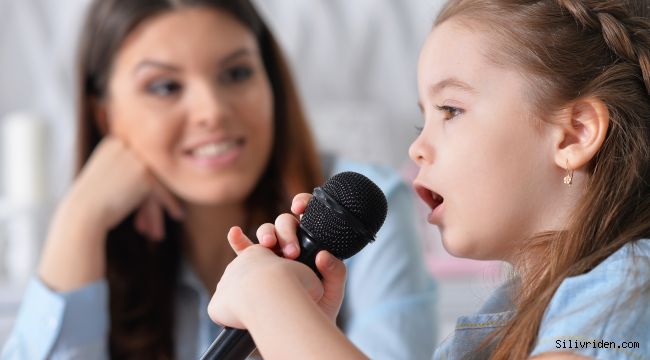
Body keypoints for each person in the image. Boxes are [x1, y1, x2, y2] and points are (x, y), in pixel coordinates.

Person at [206, 0, 650, 359]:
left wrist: (272, 304)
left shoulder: (629, 293)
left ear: (575, 133)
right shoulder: (492, 328)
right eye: (422, 125)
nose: (416, 150)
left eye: (451, 110)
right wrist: (301, 330)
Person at [0, 0, 437, 359]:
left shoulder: (357, 206)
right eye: (165, 87)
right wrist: (80, 218)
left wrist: (281, 317)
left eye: (236, 73)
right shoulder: (91, 241)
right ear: (105, 114)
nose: (212, 110)